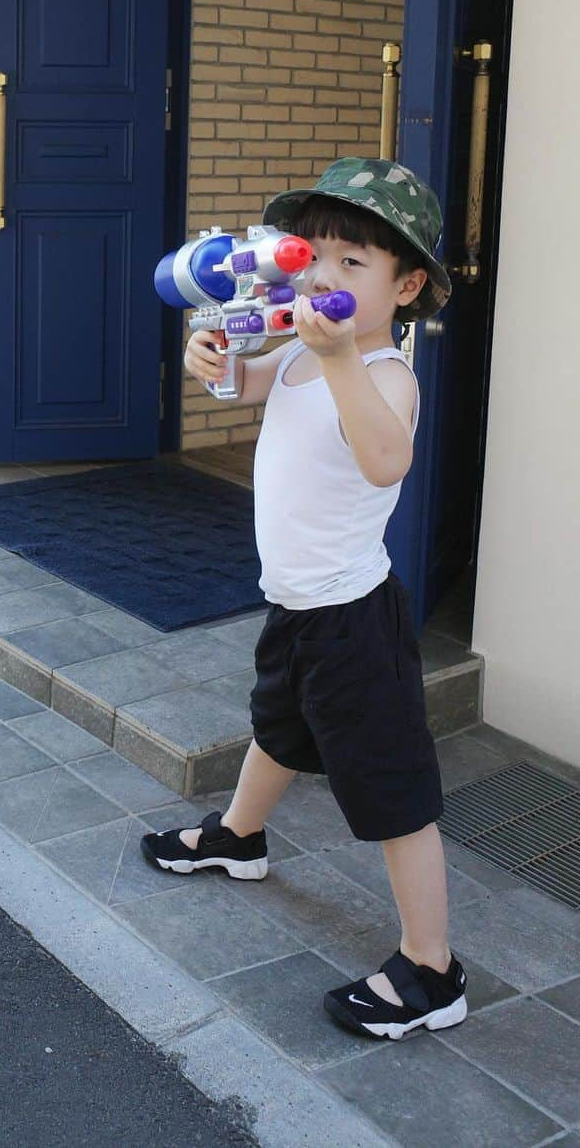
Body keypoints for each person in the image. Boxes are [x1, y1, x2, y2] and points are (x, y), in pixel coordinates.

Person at [141, 158, 469, 1040]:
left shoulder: (386, 371)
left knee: (391, 786)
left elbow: (386, 460)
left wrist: (339, 361)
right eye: (316, 253)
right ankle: (238, 838)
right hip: (294, 604)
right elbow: (237, 386)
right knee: (278, 723)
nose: (323, 275)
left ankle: (433, 969)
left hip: (355, 619)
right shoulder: (294, 342)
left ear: (404, 288)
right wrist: (207, 356)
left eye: (353, 263)